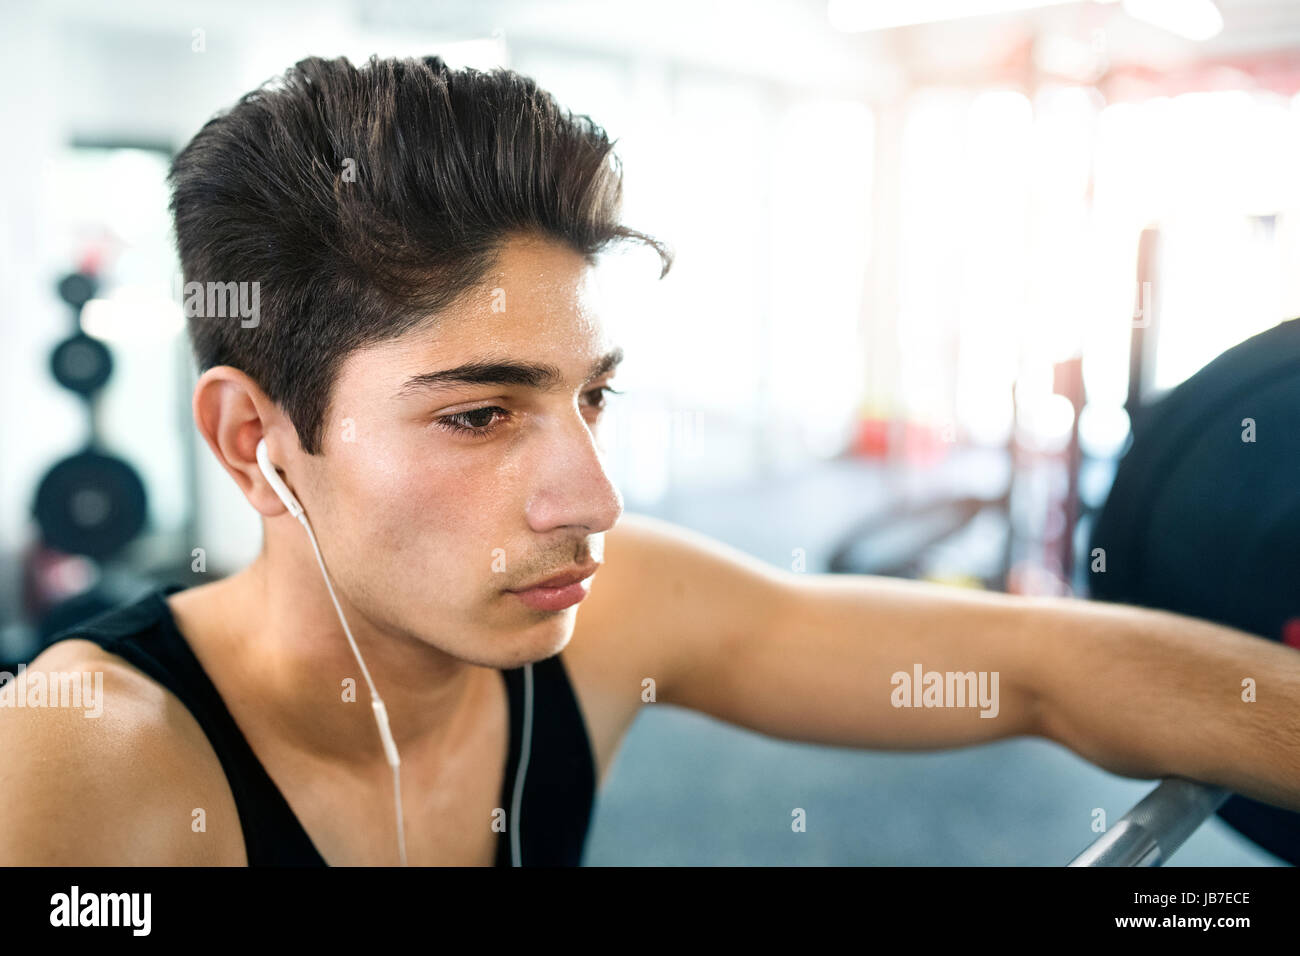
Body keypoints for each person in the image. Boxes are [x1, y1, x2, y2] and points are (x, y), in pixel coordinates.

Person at [3, 55, 1298, 866]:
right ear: (253, 439)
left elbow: (1036, 676)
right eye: (478, 416)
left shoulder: (604, 611)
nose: (594, 502)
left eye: (592, 397)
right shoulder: (89, 766)